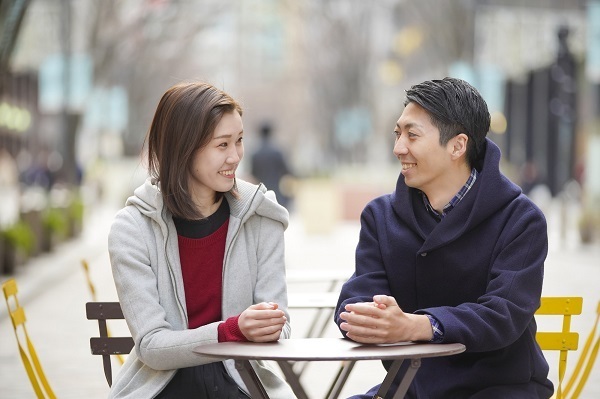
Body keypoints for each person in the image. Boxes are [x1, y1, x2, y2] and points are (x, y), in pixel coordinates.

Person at [334, 77, 553, 398]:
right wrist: (366, 317)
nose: (398, 148)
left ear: (457, 145)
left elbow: (503, 314)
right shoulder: (379, 216)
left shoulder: (520, 218)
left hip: (500, 388)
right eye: (397, 134)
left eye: (412, 135)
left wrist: (417, 326)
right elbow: (355, 298)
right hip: (410, 387)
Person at [107, 81, 295, 399]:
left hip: (242, 383)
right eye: (222, 145)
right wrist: (232, 330)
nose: (235, 156)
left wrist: (270, 324)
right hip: (163, 387)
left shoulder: (262, 218)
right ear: (183, 148)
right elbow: (152, 346)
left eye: (239, 141)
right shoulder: (132, 230)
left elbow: (283, 326)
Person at [250, 122, 292, 209]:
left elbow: (253, 174)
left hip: (261, 195)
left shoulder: (255, 154)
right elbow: (286, 171)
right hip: (277, 193)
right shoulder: (277, 152)